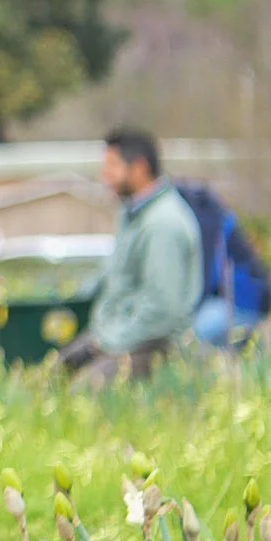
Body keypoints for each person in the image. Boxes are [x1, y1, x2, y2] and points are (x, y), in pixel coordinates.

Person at [59, 127, 203, 382]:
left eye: (112, 167)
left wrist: (104, 343)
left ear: (139, 168)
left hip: (154, 346)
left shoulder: (163, 224)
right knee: (52, 374)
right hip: (120, 335)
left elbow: (162, 311)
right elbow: (114, 279)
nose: (104, 176)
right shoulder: (133, 215)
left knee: (82, 391)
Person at [176, 180, 271, 349]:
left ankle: (246, 343)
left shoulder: (208, 225)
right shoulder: (210, 214)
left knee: (192, 334)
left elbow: (204, 280)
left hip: (243, 303)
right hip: (229, 299)